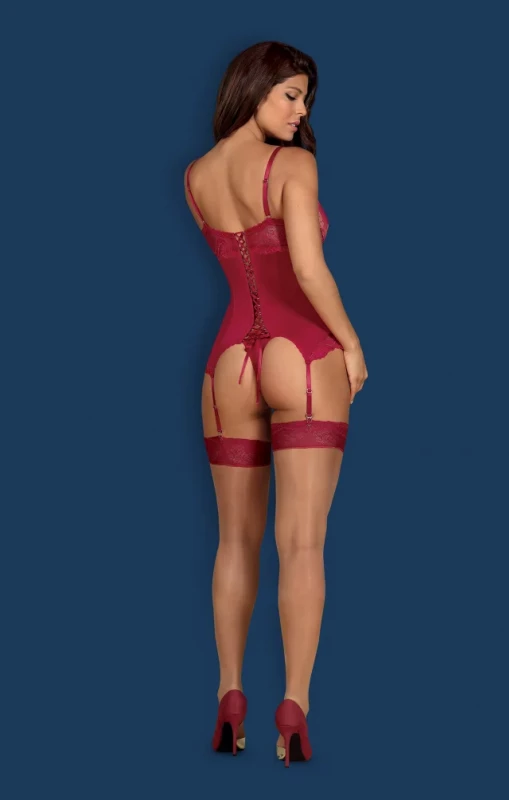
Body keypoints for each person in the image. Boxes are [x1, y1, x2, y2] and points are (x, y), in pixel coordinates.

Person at [183, 40, 368, 767]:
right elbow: (306, 270)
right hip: (305, 356)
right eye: (290, 94)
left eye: (306, 100)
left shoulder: (196, 176)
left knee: (234, 542)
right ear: (253, 87)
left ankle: (229, 696)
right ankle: (293, 707)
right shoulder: (292, 166)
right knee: (302, 544)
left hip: (228, 364)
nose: (300, 112)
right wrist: (350, 343)